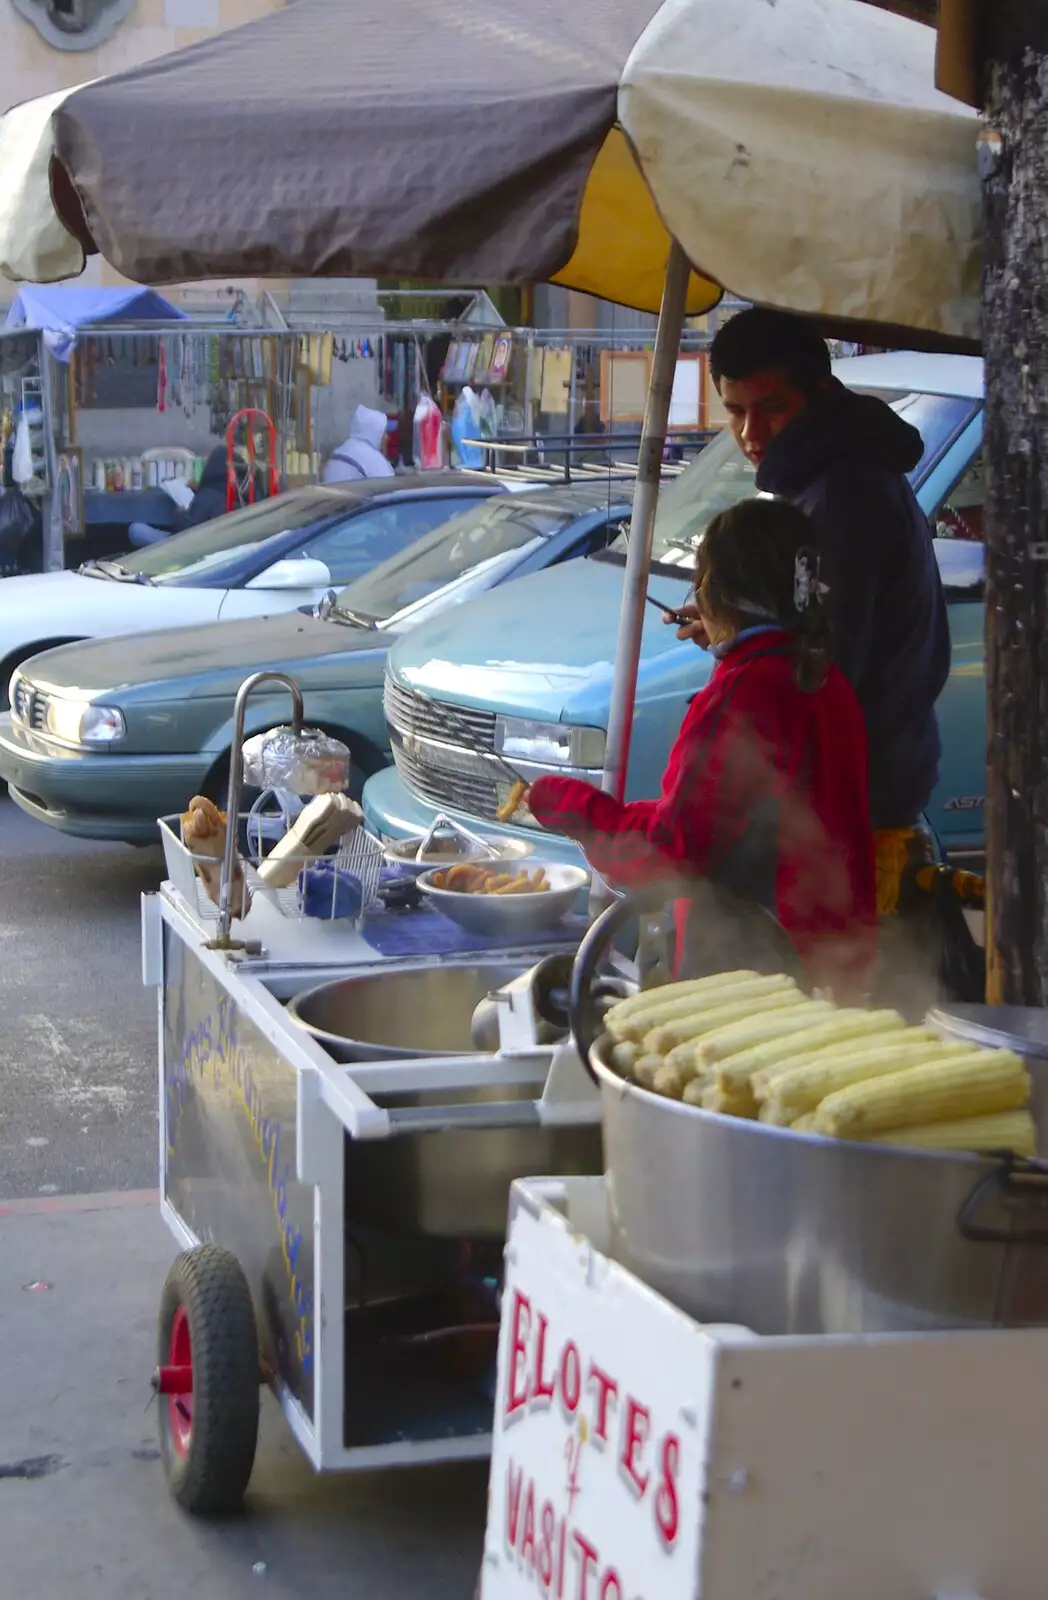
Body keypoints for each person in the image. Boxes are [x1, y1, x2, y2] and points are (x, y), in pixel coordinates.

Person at [527, 498, 877, 996]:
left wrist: (569, 804)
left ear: (712, 592)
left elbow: (673, 850)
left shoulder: (742, 693)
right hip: (840, 964)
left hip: (756, 974)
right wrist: (730, 639)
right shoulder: (822, 677)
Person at [694, 308, 950, 871]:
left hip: (857, 802)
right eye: (735, 412)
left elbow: (823, 662)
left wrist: (746, 642)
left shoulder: (841, 493)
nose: (749, 434)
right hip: (862, 787)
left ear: (823, 392)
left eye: (773, 408)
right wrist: (743, 622)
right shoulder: (823, 478)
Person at [128, 446, 249, 549]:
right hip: (214, 546)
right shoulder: (241, 491)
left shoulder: (207, 496)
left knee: (136, 530)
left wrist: (180, 514)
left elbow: (187, 527)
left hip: (188, 548)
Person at [322, 404, 394, 483]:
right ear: (376, 432)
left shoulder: (338, 452)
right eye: (384, 433)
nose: (387, 437)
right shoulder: (375, 461)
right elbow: (389, 491)